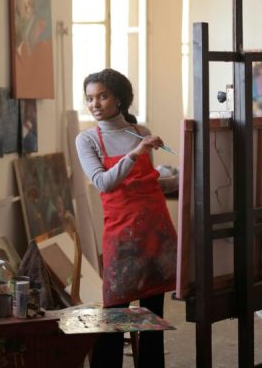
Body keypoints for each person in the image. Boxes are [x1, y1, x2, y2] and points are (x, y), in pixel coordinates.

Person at [75, 68, 177, 368]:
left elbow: (150, 182)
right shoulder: (87, 140)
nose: (95, 104)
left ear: (119, 99)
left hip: (155, 231)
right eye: (90, 98)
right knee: (115, 316)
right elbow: (104, 182)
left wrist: (187, 176)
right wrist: (135, 152)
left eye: (102, 96)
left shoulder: (141, 132)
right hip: (121, 234)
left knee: (153, 317)